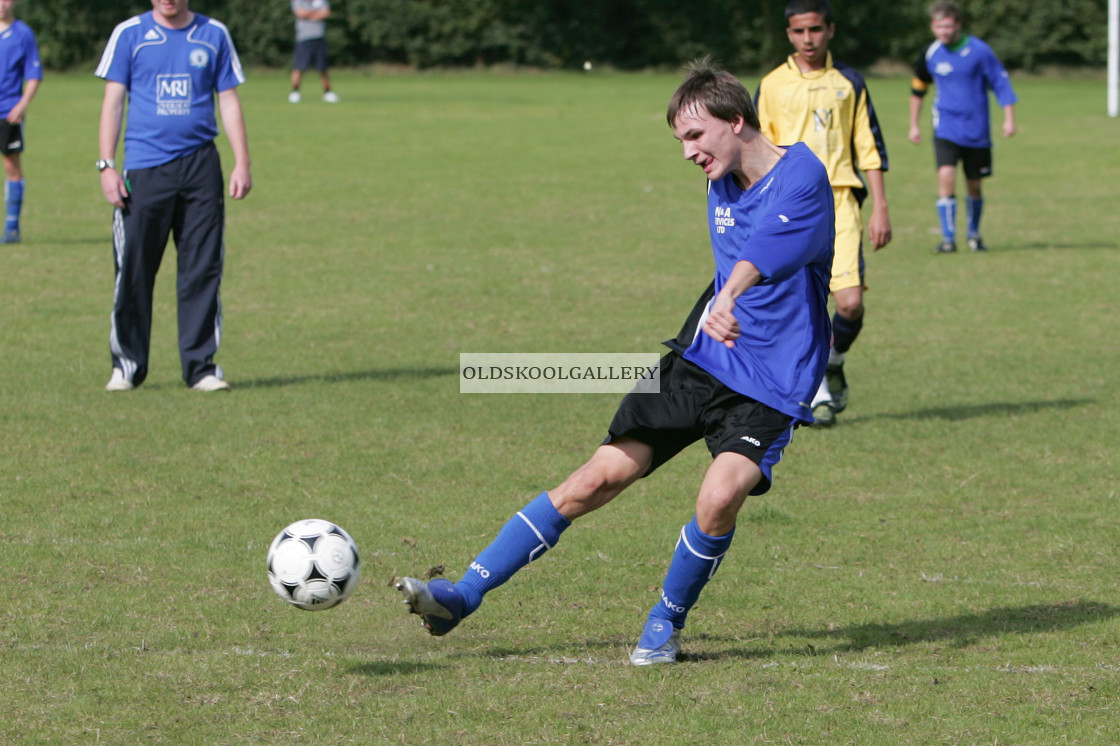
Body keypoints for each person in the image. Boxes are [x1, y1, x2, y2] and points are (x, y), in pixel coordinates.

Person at [396, 59, 835, 666]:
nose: (687, 153)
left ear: (736, 121)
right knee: (594, 478)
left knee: (718, 497)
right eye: (680, 140)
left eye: (695, 135)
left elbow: (766, 250)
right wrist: (721, 307)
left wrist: (729, 297)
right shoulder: (718, 181)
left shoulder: (804, 176)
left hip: (773, 380)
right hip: (703, 355)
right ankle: (461, 596)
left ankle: (665, 623)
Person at [95, 0, 252, 392]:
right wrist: (106, 165)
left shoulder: (214, 34)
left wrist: (242, 162)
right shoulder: (129, 34)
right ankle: (127, 366)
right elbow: (113, 102)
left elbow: (228, 99)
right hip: (144, 170)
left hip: (200, 168)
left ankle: (201, 368)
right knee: (134, 268)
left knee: (202, 267)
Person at [755, 0, 891, 427]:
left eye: (815, 29)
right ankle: (817, 393)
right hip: (791, 209)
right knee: (805, 307)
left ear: (830, 30)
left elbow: (867, 145)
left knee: (849, 305)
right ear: (788, 34)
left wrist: (881, 206)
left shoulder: (849, 81)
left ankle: (833, 361)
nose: (807, 39)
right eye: (798, 32)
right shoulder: (772, 85)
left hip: (842, 203)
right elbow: (760, 153)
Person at [909, 0, 1017, 254]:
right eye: (938, 26)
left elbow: (1000, 83)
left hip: (977, 130)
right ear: (932, 27)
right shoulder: (930, 53)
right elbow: (918, 89)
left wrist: (1009, 117)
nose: (943, 32)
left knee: (975, 184)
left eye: (947, 26)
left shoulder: (980, 51)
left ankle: (974, 235)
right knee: (946, 176)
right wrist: (914, 124)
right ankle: (948, 239)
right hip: (945, 127)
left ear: (957, 24)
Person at [0, 0, 42, 245]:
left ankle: (12, 227)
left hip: (9, 111)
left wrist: (22, 105)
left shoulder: (23, 34)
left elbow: (34, 75)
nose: (2, 5)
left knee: (11, 166)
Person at [288, 0, 337, 104]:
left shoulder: (320, 1)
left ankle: (327, 92)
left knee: (323, 67)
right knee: (299, 67)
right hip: (303, 38)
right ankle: (295, 92)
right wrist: (316, 13)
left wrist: (309, 14)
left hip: (319, 37)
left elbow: (326, 13)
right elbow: (300, 13)